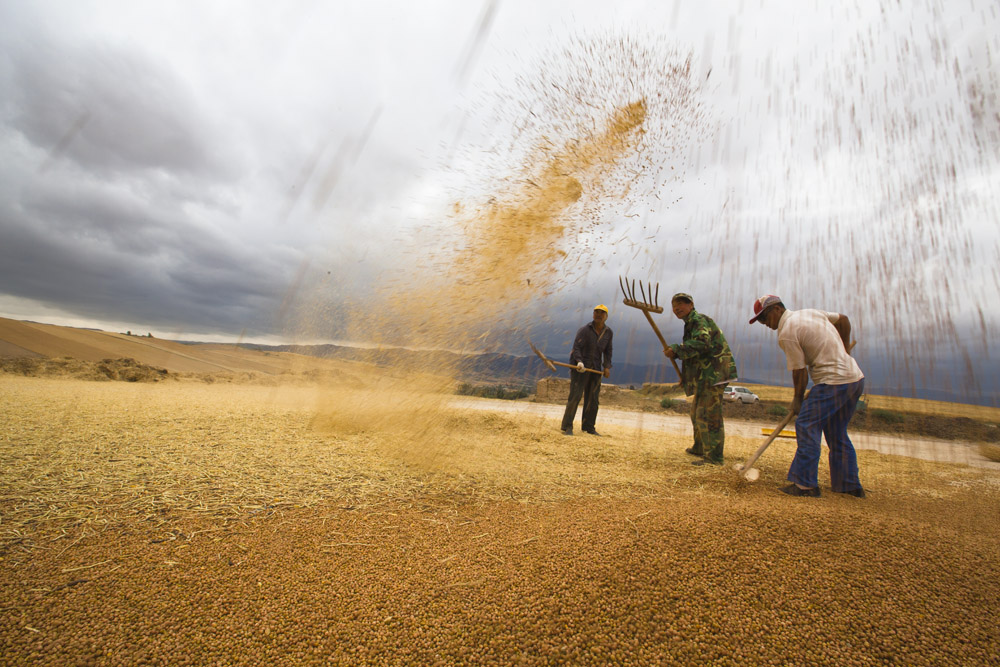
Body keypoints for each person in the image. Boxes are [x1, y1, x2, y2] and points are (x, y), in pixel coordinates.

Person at [749, 295, 866, 498]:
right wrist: (845, 350)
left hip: (833, 382)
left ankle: (805, 485)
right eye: (760, 321)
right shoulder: (810, 312)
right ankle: (848, 484)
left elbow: (799, 371)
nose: (764, 324)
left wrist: (797, 401)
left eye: (764, 317)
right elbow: (844, 319)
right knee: (836, 430)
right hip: (854, 379)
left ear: (777, 309)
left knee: (806, 424)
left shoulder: (786, 333)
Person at [664, 293, 738, 465]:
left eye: (681, 304)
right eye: (674, 305)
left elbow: (702, 343)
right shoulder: (690, 324)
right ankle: (700, 447)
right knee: (697, 412)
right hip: (705, 375)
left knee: (708, 414)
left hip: (715, 373)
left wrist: (677, 349)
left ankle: (714, 457)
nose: (677, 308)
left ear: (691, 305)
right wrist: (687, 377)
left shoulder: (699, 320)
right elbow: (696, 355)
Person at [561, 305, 613, 436]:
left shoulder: (608, 333)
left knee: (593, 400)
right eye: (596, 312)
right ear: (593, 314)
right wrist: (579, 361)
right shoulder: (585, 330)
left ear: (606, 317)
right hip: (580, 368)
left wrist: (606, 366)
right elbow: (576, 347)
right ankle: (567, 426)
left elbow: (608, 351)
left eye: (602, 313)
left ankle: (589, 427)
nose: (599, 315)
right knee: (575, 396)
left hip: (595, 368)